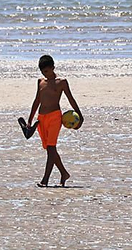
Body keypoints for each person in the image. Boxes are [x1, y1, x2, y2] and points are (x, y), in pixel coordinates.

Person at [21, 54, 84, 188]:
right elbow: (36, 101)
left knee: (51, 147)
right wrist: (29, 120)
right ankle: (64, 173)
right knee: (49, 149)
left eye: (47, 71)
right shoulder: (40, 82)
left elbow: (70, 98)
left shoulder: (61, 82)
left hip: (55, 117)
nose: (45, 74)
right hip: (41, 118)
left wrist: (80, 114)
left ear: (53, 67)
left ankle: (45, 179)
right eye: (43, 72)